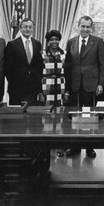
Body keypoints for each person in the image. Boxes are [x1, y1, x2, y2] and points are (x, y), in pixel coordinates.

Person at [64, 15, 104, 159]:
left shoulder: (98, 42)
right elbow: (68, 67)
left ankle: (89, 148)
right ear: (78, 26)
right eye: (83, 26)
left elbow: (103, 65)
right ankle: (74, 147)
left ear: (91, 28)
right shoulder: (71, 42)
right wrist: (67, 88)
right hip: (75, 85)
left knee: (89, 117)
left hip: (91, 85)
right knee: (75, 116)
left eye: (88, 27)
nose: (85, 29)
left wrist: (100, 83)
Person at [4, 18, 43, 106]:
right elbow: (7, 68)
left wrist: (38, 87)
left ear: (33, 29)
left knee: (30, 115)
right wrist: (14, 82)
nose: (28, 29)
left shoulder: (37, 44)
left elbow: (39, 66)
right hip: (16, 88)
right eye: (25, 27)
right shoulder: (12, 44)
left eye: (30, 27)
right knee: (17, 116)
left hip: (32, 88)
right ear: (20, 28)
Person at [41, 29, 67, 158]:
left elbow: (67, 72)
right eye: (52, 39)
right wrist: (40, 92)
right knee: (47, 115)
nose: (54, 42)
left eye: (56, 39)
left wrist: (66, 92)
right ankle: (47, 145)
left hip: (61, 85)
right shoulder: (42, 54)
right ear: (48, 41)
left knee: (60, 116)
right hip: (47, 85)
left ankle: (60, 146)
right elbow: (38, 73)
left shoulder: (64, 54)